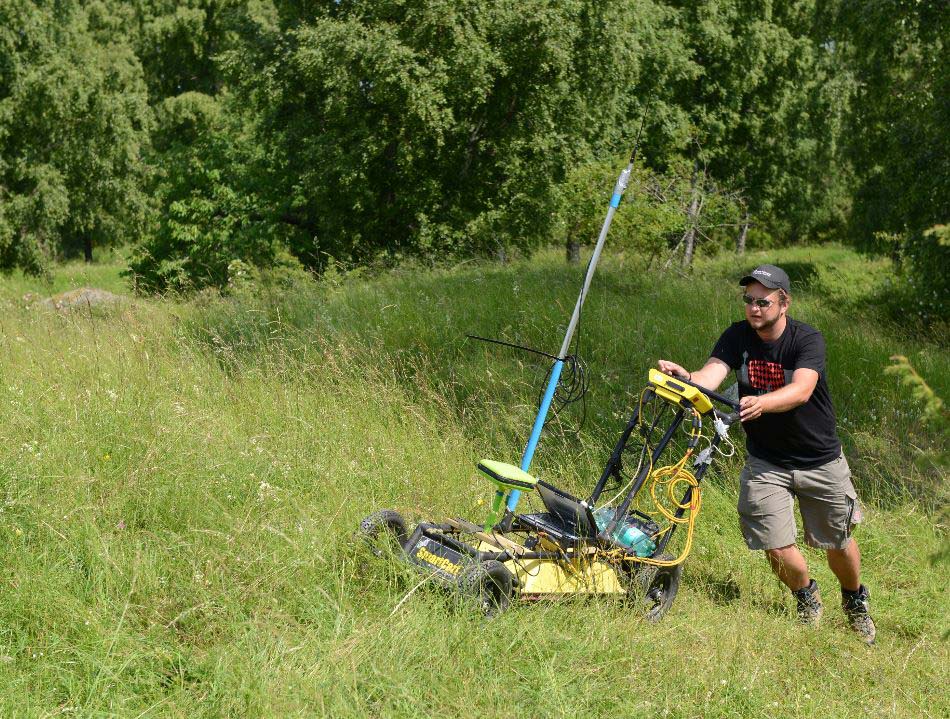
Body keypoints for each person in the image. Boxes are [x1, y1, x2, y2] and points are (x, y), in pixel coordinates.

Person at [658, 264, 875, 643]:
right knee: (773, 541)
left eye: (763, 301)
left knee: (837, 542)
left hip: (818, 459)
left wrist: (762, 403)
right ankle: (806, 595)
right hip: (766, 461)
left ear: (784, 302)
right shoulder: (737, 336)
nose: (754, 308)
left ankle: (854, 599)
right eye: (749, 300)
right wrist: (687, 378)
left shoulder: (806, 339)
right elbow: (711, 375)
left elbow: (803, 389)